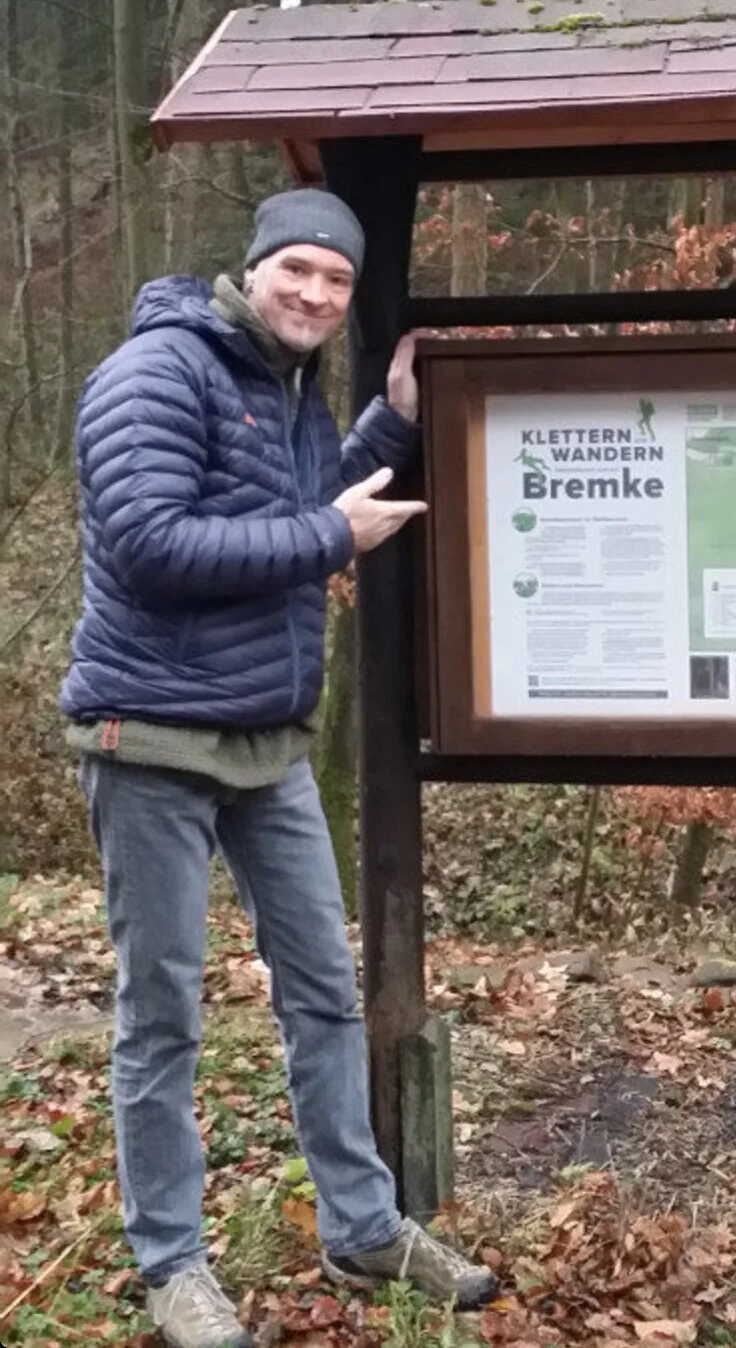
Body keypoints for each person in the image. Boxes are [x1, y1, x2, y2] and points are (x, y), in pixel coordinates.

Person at [60, 189, 497, 1348]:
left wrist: (390, 425)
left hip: (267, 741)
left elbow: (297, 509)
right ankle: (173, 1264)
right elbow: (154, 543)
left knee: (321, 988)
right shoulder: (157, 372)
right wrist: (326, 539)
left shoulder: (288, 386)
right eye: (296, 269)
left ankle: (360, 1227)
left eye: (336, 280)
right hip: (148, 738)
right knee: (163, 1014)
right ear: (251, 268)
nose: (314, 293)